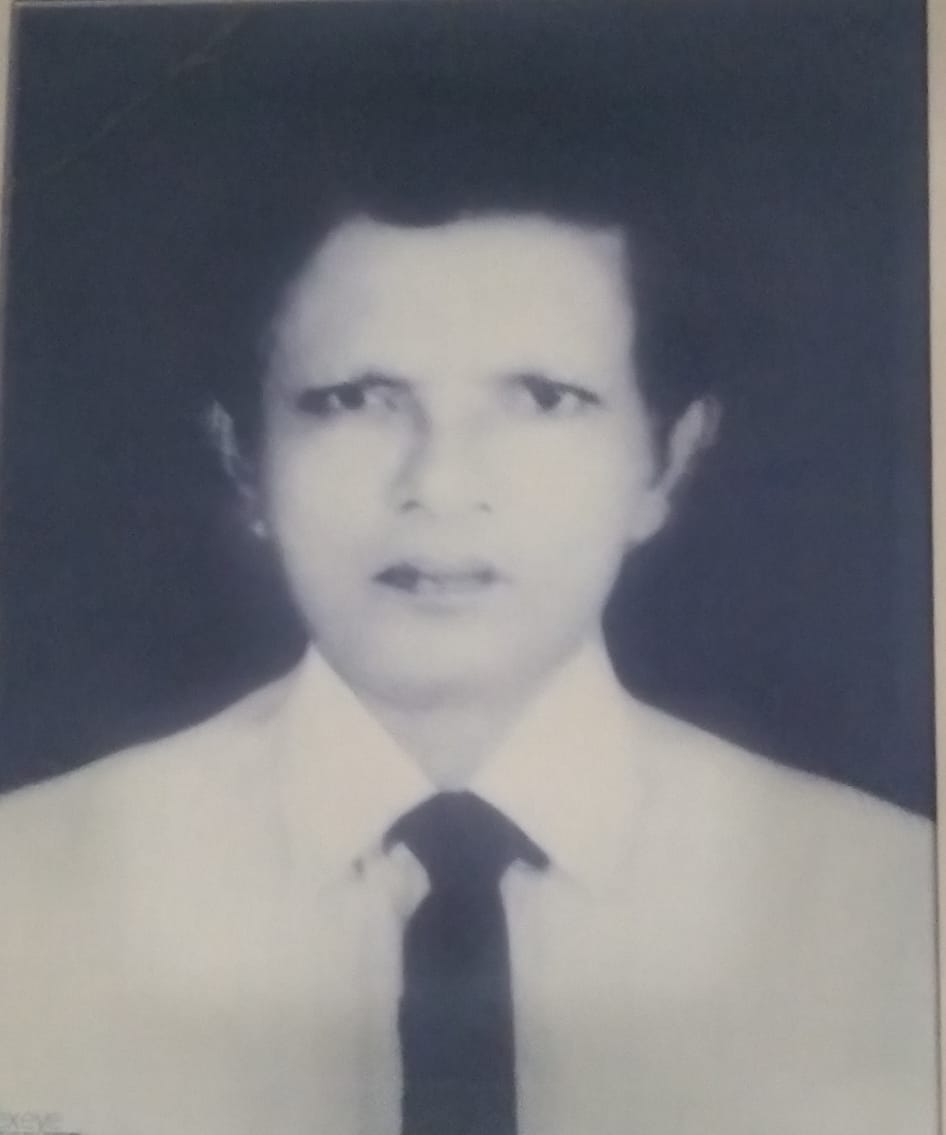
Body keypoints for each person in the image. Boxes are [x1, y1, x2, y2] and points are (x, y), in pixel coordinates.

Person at [0, 158, 936, 1135]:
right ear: (246, 461)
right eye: (355, 398)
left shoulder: (897, 911)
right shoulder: (23, 896)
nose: (440, 485)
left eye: (542, 397)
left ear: (666, 461)